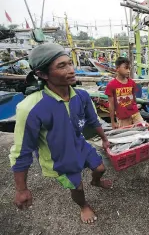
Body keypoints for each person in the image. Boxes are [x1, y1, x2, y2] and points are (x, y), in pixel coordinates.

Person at [9, 43, 112, 224]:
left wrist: (104, 139)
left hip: (80, 146)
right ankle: (83, 206)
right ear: (42, 74)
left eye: (70, 63)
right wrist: (21, 189)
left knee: (100, 168)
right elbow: (22, 151)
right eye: (62, 66)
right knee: (77, 188)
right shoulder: (30, 108)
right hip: (59, 160)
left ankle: (95, 181)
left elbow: (93, 120)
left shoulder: (81, 96)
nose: (71, 70)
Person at [105, 57, 144, 129]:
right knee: (127, 136)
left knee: (142, 130)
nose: (128, 71)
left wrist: (137, 109)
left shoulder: (131, 82)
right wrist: (113, 122)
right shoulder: (111, 85)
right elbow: (111, 105)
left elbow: (134, 98)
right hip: (122, 117)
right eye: (126, 68)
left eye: (129, 68)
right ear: (117, 68)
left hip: (135, 113)